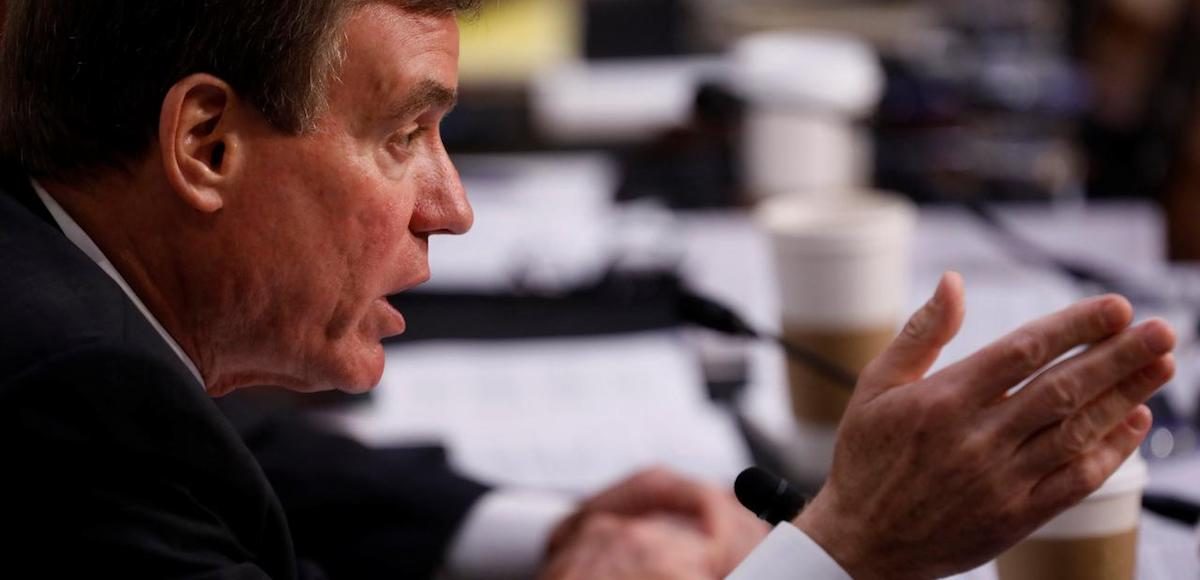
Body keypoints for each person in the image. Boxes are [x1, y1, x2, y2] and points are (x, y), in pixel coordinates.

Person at [0, 1, 1176, 579]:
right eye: (407, 131)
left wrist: (554, 530)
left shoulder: (67, 299)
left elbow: (246, 465)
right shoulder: (65, 403)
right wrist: (845, 543)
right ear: (205, 142)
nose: (452, 206)